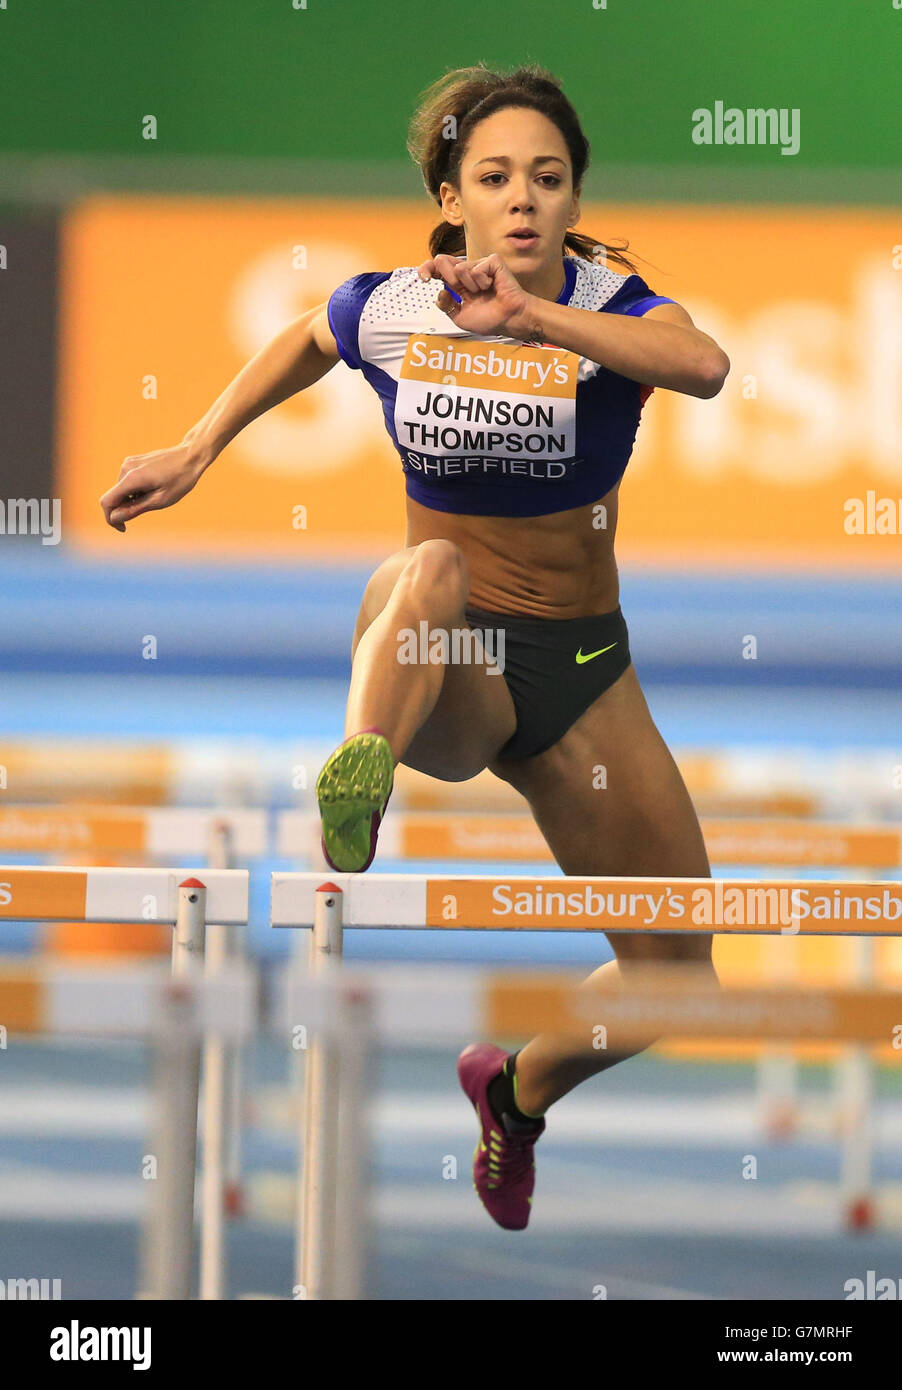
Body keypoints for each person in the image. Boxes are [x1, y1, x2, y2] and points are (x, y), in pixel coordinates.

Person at [101, 62, 729, 1234]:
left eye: (548, 176)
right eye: (494, 177)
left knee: (674, 981)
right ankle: (359, 775)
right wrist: (195, 449)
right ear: (452, 197)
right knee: (428, 570)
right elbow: (306, 332)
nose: (524, 198)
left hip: (584, 674)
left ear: (575, 192)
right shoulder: (396, 304)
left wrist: (530, 317)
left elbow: (703, 367)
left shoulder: (612, 306)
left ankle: (515, 1089)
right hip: (443, 667)